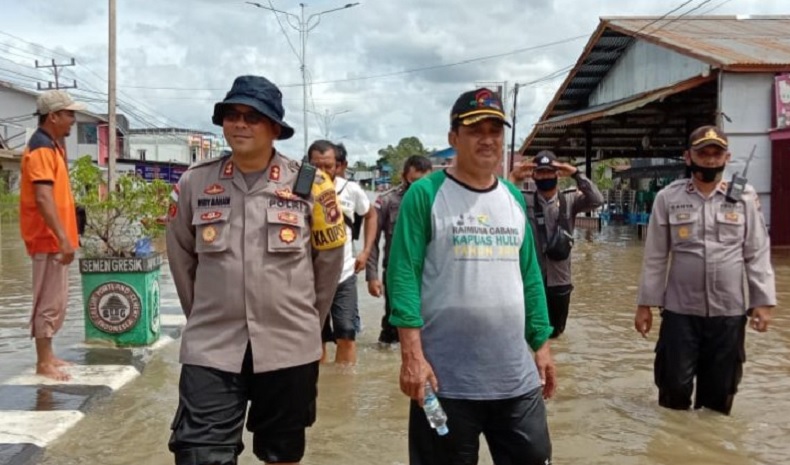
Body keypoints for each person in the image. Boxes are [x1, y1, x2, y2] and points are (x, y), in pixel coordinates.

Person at [166, 75, 345, 465]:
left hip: (288, 345)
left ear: (275, 128)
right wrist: (203, 315)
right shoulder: (195, 182)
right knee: (198, 454)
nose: (240, 124)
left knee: (281, 454)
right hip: (212, 346)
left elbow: (329, 262)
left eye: (253, 117)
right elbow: (181, 257)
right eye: (232, 115)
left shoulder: (312, 185)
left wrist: (307, 325)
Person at [387, 88, 555, 465]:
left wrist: (541, 343)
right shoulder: (425, 195)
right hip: (443, 382)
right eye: (474, 130)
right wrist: (411, 356)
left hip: (515, 379)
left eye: (495, 130)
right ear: (453, 138)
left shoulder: (513, 198)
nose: (487, 139)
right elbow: (403, 278)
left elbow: (529, 276)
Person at [635, 125, 776, 416]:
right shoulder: (668, 198)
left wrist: (762, 301)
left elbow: (757, 252)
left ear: (727, 157)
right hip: (679, 313)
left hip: (729, 313)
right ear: (689, 157)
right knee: (673, 391)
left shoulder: (744, 197)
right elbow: (656, 256)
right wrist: (645, 304)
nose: (710, 159)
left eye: (717, 153)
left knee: (718, 398)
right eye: (703, 153)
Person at [19, 90, 85, 381]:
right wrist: (62, 238)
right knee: (48, 299)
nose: (73, 120)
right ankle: (43, 362)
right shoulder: (42, 149)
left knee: (55, 299)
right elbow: (44, 198)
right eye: (69, 114)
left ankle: (48, 356)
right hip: (48, 238)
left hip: (53, 238)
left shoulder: (51, 146)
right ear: (53, 116)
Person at [509, 150, 603, 338]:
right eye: (541, 172)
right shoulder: (524, 199)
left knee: (557, 335)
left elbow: (597, 200)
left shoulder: (570, 200)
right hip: (533, 280)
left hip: (560, 280)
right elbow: (500, 201)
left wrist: (576, 173)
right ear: (533, 175)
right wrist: (513, 177)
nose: (545, 176)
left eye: (550, 172)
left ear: (558, 174)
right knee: (532, 334)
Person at [308, 140, 377, 365]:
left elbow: (370, 215)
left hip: (344, 272)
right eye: (316, 166)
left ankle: (345, 391)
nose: (323, 172)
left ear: (338, 166)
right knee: (315, 335)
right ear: (308, 165)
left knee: (346, 333)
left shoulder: (351, 190)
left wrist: (366, 252)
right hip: (310, 276)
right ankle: (322, 388)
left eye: (328, 166)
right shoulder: (298, 189)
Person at [366, 155, 432, 346]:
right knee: (395, 323)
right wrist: (372, 276)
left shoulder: (438, 200)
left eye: (424, 181)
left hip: (431, 273)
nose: (419, 187)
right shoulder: (387, 201)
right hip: (398, 273)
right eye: (414, 181)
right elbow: (372, 240)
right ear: (404, 177)